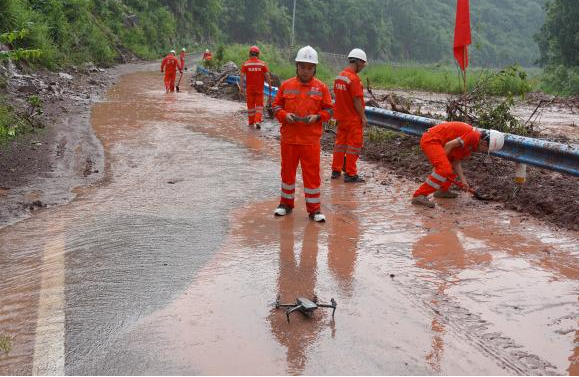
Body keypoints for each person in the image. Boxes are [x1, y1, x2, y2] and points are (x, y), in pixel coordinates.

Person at [272, 46, 334, 222]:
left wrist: (317, 117)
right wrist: (284, 115)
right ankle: (285, 204)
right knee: (287, 173)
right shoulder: (286, 85)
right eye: (302, 67)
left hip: (310, 141)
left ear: (315, 68)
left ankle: (314, 210)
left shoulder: (321, 88)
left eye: (309, 67)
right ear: (297, 66)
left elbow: (329, 110)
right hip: (289, 139)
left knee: (312, 175)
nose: (306, 71)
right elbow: (276, 106)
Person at [411, 122, 505, 208]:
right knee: (445, 169)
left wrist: (464, 182)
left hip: (438, 142)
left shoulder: (473, 144)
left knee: (449, 167)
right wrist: (440, 165)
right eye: (486, 150)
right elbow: (449, 145)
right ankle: (419, 195)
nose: (483, 152)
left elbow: (456, 162)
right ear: (484, 143)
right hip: (431, 140)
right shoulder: (474, 136)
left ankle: (442, 191)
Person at [331, 48, 368, 183]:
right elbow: (357, 100)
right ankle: (351, 174)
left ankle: (336, 170)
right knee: (354, 146)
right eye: (362, 64)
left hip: (341, 118)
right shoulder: (354, 79)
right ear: (358, 62)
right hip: (353, 119)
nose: (362, 67)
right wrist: (363, 117)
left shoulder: (339, 77)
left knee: (340, 144)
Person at [240, 45, 272, 129]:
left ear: (250, 54)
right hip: (259, 89)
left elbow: (242, 76)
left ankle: (251, 123)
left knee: (250, 107)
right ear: (258, 54)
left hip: (249, 89)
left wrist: (241, 87)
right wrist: (270, 85)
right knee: (259, 106)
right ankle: (257, 121)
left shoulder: (245, 64)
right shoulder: (262, 64)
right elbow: (267, 76)